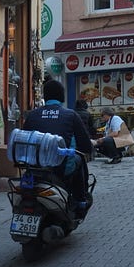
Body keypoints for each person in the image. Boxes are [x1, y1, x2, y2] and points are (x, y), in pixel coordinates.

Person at [23, 79, 92, 217]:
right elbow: (85, 145)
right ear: (62, 96)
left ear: (45, 96)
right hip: (60, 168)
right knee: (79, 159)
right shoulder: (71, 115)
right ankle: (80, 201)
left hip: (35, 167)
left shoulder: (32, 115)